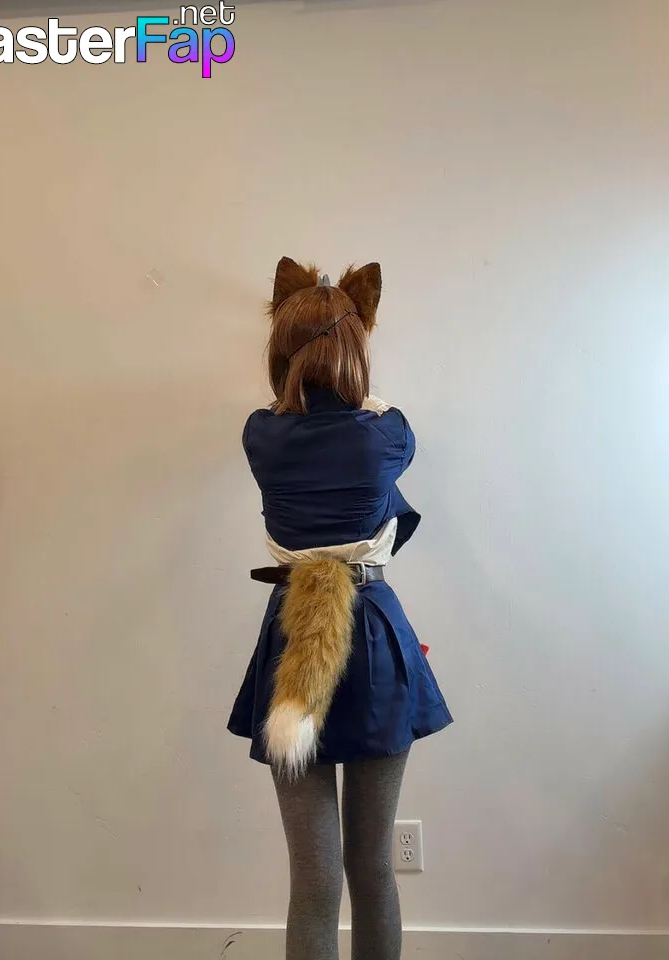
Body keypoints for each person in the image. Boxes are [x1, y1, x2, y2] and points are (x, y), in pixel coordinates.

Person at [227, 257, 453, 960]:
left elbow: (281, 410)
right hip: (372, 632)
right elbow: (382, 424)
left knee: (314, 877)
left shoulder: (260, 436)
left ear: (281, 348)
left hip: (293, 632)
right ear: (356, 346)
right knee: (372, 867)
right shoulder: (387, 435)